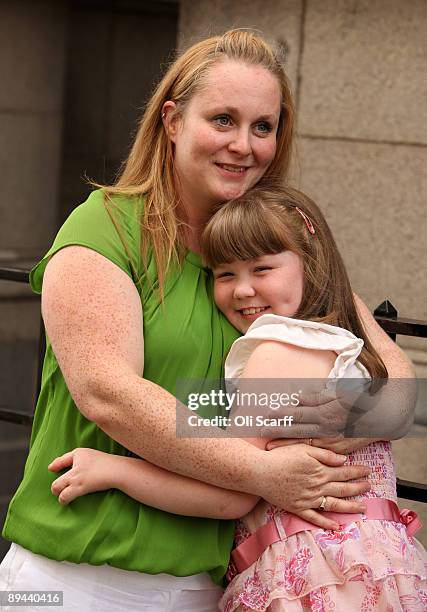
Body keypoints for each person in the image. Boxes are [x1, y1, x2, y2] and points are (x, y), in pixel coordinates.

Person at [0, 29, 414, 611]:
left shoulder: (270, 248)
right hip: (78, 576)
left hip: (212, 586)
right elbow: (109, 394)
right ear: (172, 121)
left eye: (262, 127)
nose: (243, 145)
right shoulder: (107, 227)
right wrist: (265, 468)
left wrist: (294, 422)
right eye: (222, 119)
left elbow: (396, 399)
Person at [47, 186, 426, 611]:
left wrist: (114, 470)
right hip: (372, 572)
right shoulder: (342, 344)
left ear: (309, 265)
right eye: (225, 274)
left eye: (261, 269)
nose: (243, 290)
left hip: (309, 578)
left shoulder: (274, 354)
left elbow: (232, 497)